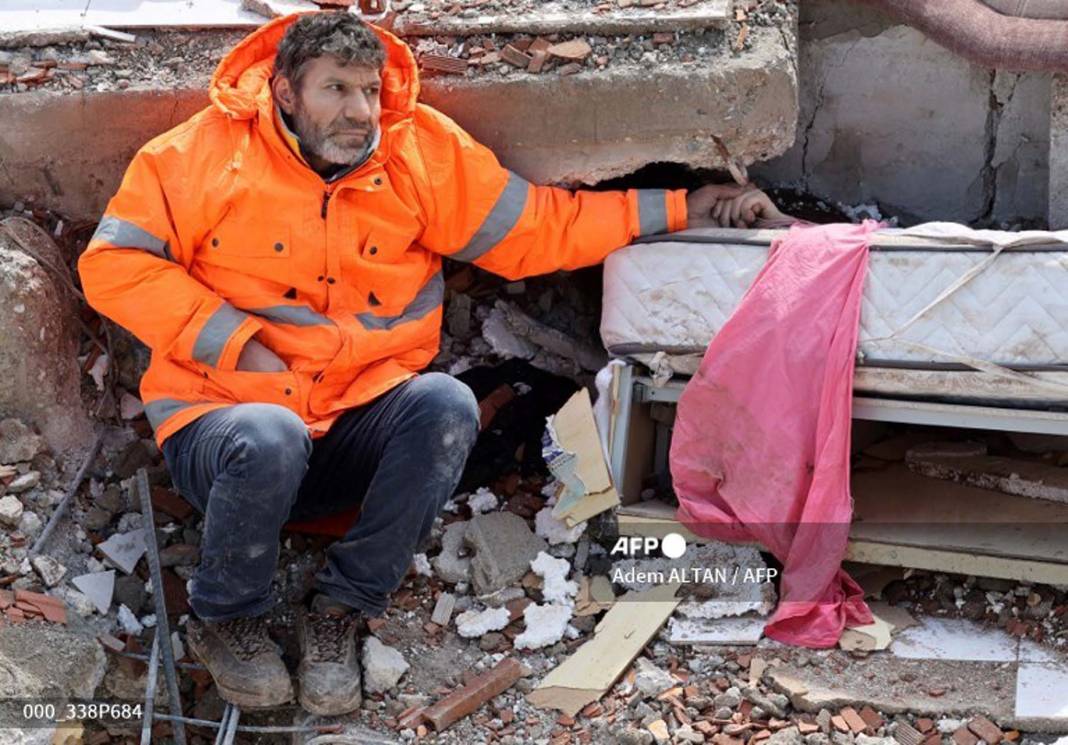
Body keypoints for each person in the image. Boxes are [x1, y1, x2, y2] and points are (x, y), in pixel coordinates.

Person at [77, 10, 769, 714]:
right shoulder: (195, 155)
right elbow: (111, 264)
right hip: (228, 435)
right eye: (335, 90)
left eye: (369, 91)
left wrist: (686, 208)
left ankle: (340, 612)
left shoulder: (416, 154)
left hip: (351, 431)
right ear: (284, 93)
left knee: (447, 405)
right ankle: (227, 619)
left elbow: (539, 229)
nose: (359, 112)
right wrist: (229, 338)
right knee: (270, 435)